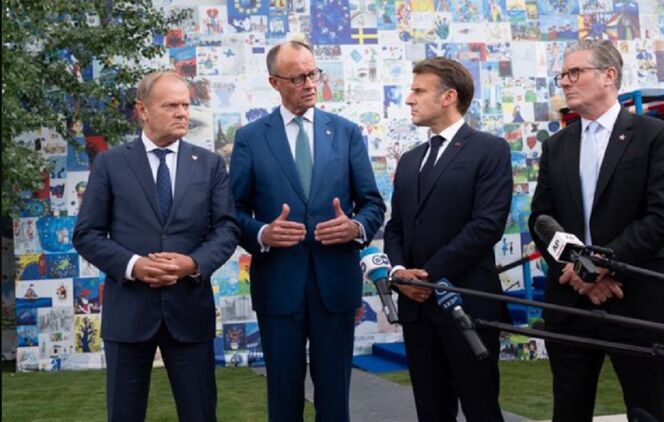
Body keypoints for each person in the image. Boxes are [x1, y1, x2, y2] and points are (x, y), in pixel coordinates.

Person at [528, 39, 664, 422]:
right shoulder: (556, 146)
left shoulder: (656, 135)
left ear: (608, 75)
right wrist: (579, 272)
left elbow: (663, 216)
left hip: (637, 297)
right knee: (568, 410)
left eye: (575, 72)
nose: (565, 82)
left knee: (646, 410)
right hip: (570, 300)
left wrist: (599, 265)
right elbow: (541, 219)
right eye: (562, 75)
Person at [229, 41, 385, 422]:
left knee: (334, 401)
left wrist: (355, 227)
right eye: (298, 77)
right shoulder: (250, 138)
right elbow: (232, 212)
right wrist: (262, 233)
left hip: (336, 286)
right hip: (278, 286)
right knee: (283, 399)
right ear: (275, 82)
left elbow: (373, 204)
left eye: (313, 73)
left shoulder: (346, 133)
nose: (310, 83)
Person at [73, 71, 239, 422]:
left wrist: (191, 264)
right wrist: (134, 265)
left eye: (185, 105)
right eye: (171, 105)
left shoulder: (209, 164)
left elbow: (227, 230)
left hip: (189, 313)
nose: (182, 113)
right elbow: (87, 234)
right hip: (129, 314)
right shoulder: (110, 163)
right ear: (142, 110)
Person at [384, 57, 513, 422]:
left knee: (481, 409)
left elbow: (486, 226)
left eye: (418, 90)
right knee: (431, 411)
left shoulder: (489, 150)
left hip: (467, 304)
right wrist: (399, 273)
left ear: (448, 97)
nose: (409, 99)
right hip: (417, 311)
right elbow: (396, 227)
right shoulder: (410, 160)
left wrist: (425, 276)